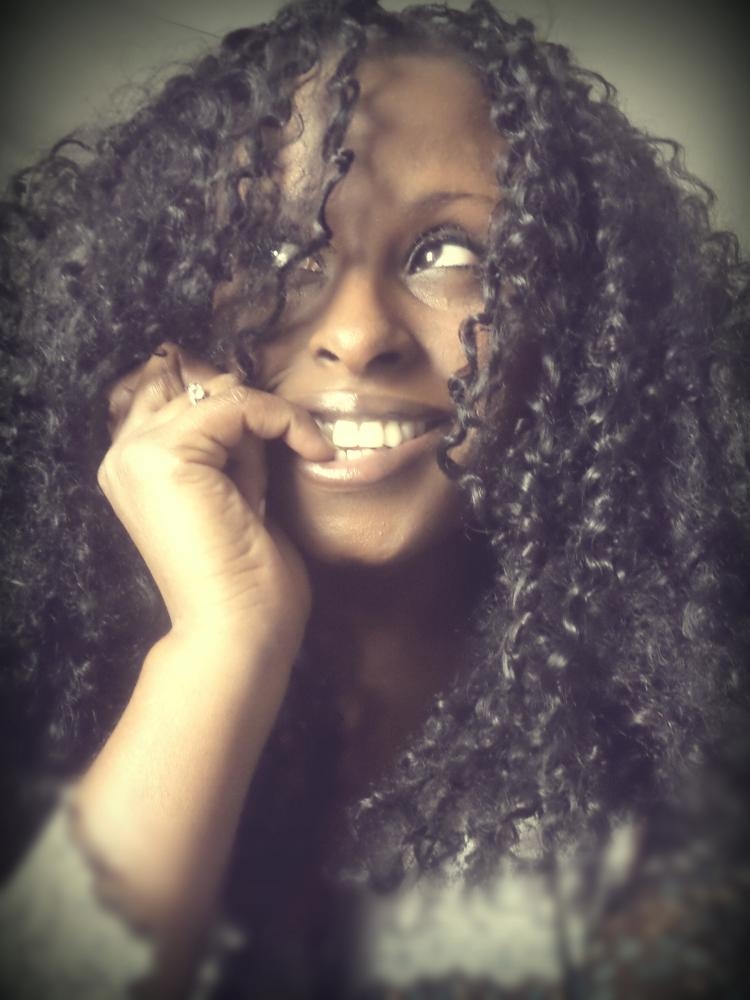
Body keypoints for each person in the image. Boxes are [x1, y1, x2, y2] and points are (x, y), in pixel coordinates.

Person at [1, 0, 748, 996]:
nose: (356, 335)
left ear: (576, 330)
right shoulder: (32, 693)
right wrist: (221, 642)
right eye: (279, 255)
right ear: (163, 315)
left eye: (449, 253)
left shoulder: (700, 772)